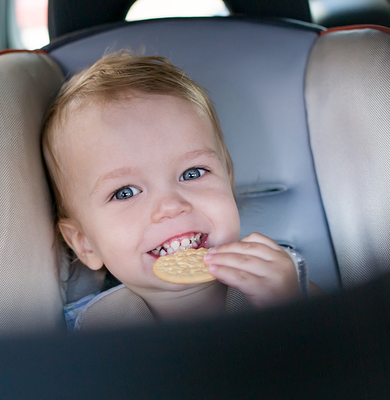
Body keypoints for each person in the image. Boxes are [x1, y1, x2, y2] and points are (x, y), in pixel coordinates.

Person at [42, 52, 318, 331]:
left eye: (193, 173)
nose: (171, 205)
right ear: (84, 242)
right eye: (125, 192)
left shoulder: (285, 286)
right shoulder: (81, 335)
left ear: (229, 183)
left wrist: (293, 310)